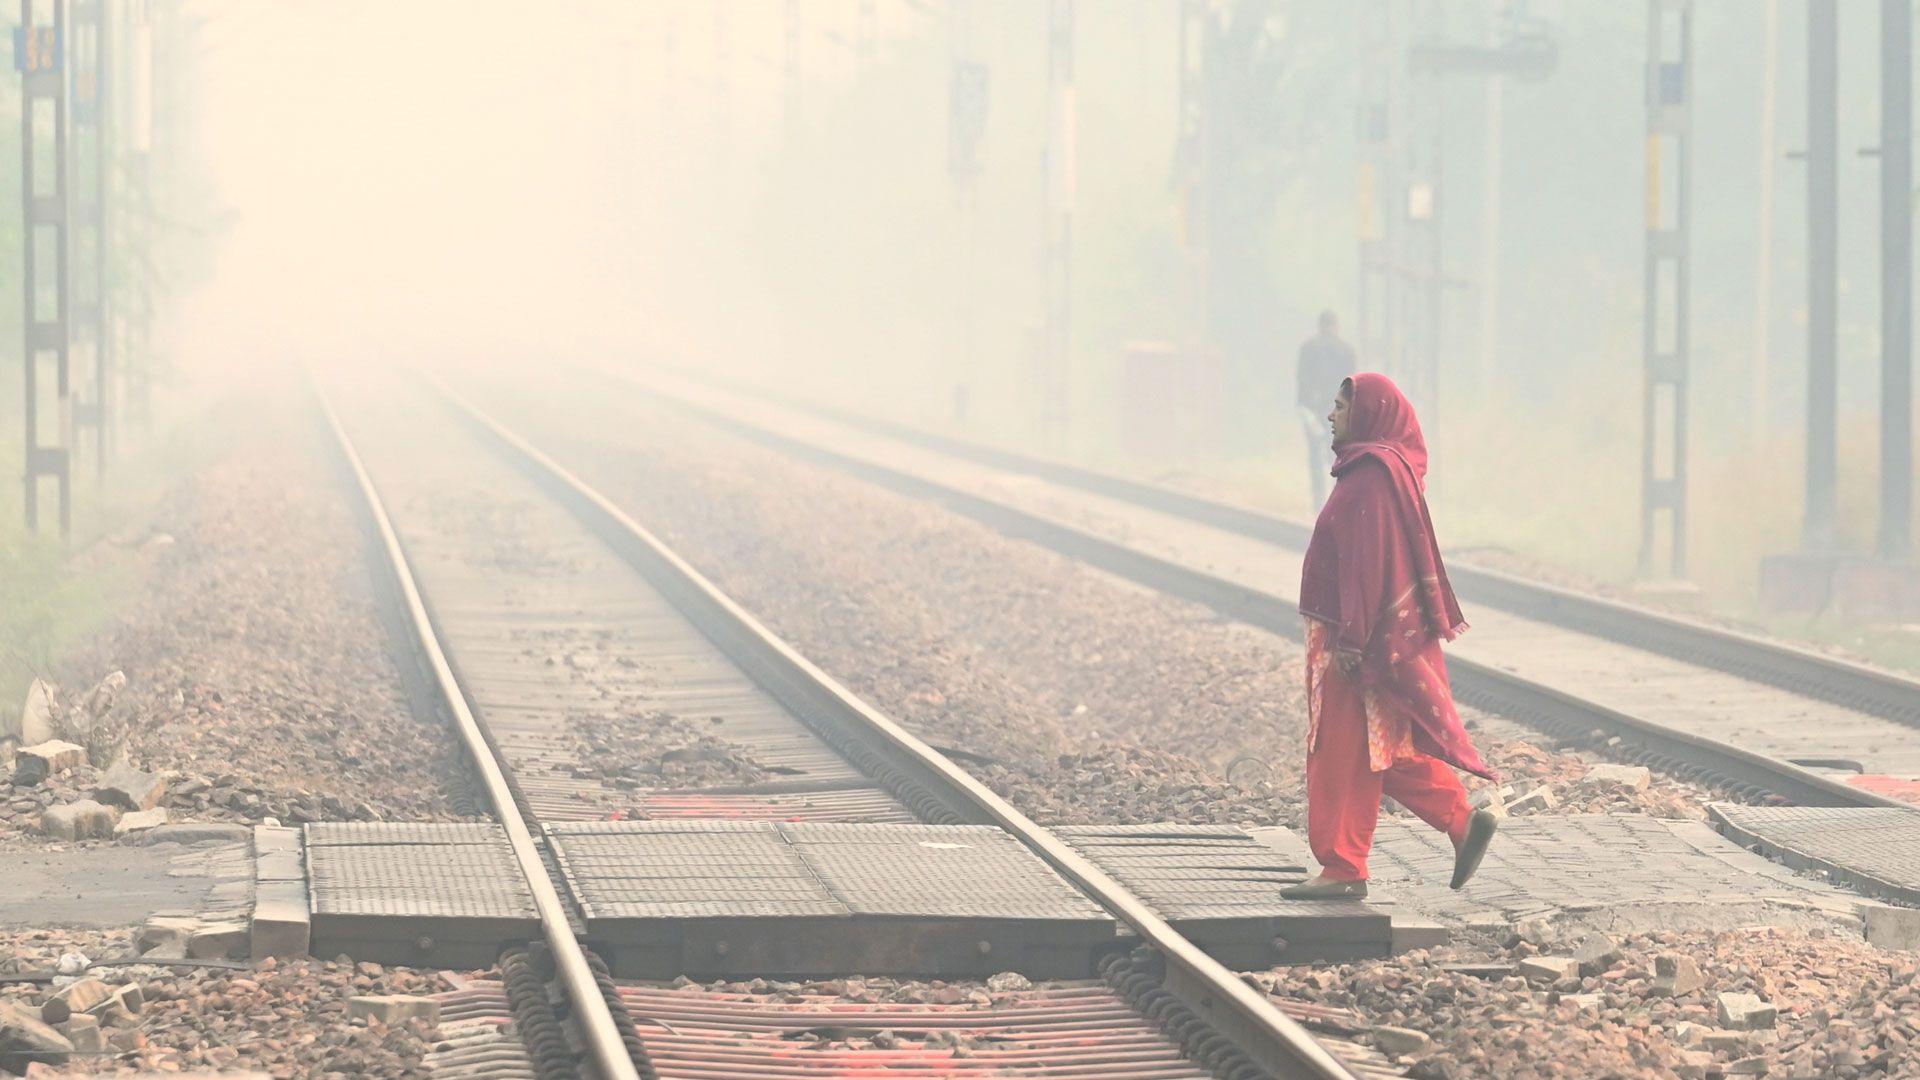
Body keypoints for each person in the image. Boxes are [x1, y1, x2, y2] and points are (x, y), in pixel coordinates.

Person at [1280, 373, 1497, 900]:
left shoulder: (1371, 478)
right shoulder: (1375, 470)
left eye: (1340, 406)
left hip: (1355, 639)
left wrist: (1351, 641)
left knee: (1342, 749)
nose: (1331, 415)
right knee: (1382, 745)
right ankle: (1461, 821)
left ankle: (1343, 867)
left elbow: (1367, 564)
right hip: (1364, 635)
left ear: (1369, 413)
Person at [1296, 311, 1356, 507]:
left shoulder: (1308, 348)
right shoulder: (1346, 351)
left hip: (1313, 410)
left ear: (1320, 325)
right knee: (1337, 457)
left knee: (1315, 456)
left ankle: (1318, 503)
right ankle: (1336, 501)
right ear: (1336, 326)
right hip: (1338, 412)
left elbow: (1302, 381)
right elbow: (1352, 386)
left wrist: (1304, 408)